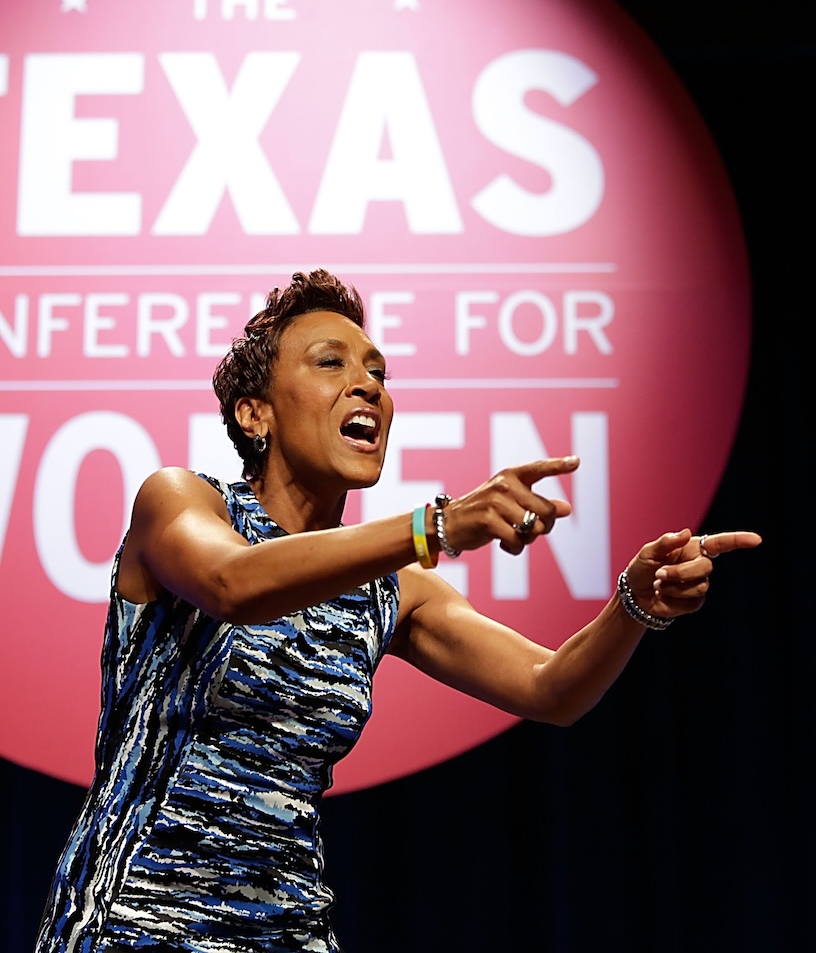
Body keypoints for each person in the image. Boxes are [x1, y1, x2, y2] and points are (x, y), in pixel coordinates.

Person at [35, 269, 760, 952]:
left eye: (378, 373)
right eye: (331, 364)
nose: (367, 387)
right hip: (132, 923)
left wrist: (633, 604)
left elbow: (553, 688)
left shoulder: (391, 588)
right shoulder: (183, 502)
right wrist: (431, 527)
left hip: (290, 928)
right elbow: (234, 584)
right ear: (254, 413)